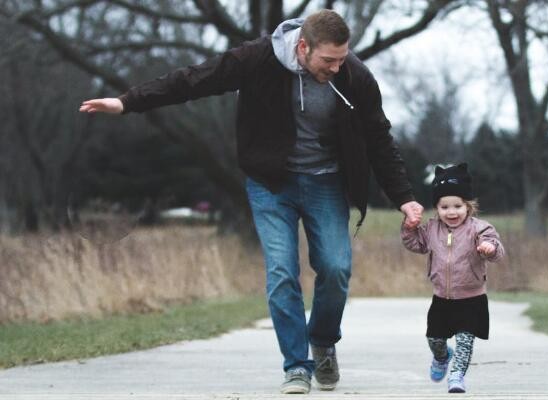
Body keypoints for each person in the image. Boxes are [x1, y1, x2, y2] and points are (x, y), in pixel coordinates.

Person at [80, 10, 424, 395]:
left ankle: (323, 342)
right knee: (281, 273)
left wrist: (405, 199)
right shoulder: (257, 58)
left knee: (336, 268)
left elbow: (379, 139)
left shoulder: (354, 76)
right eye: (328, 60)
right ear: (303, 46)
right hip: (270, 182)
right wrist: (127, 102)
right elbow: (194, 80)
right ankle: (296, 365)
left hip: (326, 181)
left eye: (342, 58)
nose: (336, 67)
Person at [400, 163, 505, 394]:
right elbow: (415, 244)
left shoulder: (479, 229)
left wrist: (490, 247)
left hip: (472, 299)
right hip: (442, 299)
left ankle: (457, 376)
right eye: (444, 206)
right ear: (436, 208)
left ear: (468, 206)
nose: (452, 212)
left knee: (465, 342)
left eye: (458, 206)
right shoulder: (431, 229)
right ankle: (442, 356)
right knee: (434, 339)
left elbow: (497, 250)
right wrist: (409, 228)